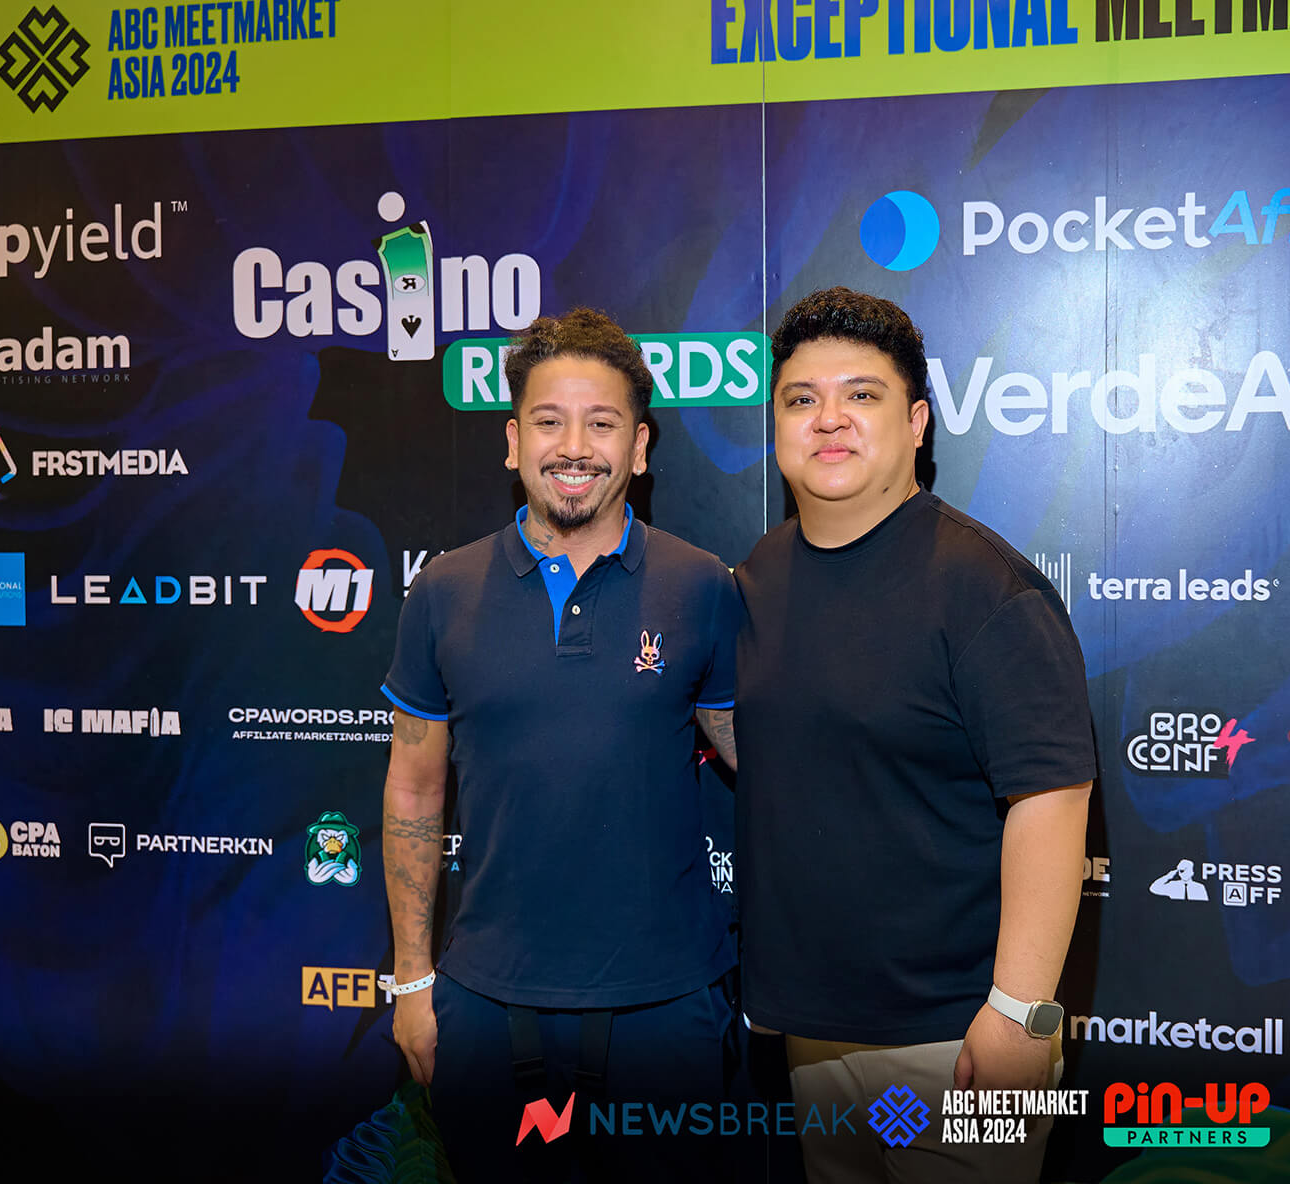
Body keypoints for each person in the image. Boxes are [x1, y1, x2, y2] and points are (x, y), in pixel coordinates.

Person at [732, 287, 1097, 1183]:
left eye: (862, 395)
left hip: (961, 1040)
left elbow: (1053, 799)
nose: (829, 419)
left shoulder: (986, 586)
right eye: (802, 399)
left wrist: (1020, 1014)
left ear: (918, 423)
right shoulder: (760, 576)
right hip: (815, 1029)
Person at [378, 309, 743, 1182]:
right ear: (513, 441)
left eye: (602, 423)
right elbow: (414, 792)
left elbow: (764, 767)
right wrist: (414, 981)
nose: (574, 447)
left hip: (667, 1009)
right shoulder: (441, 592)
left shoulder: (702, 586)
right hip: (484, 1006)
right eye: (549, 421)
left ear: (640, 449)